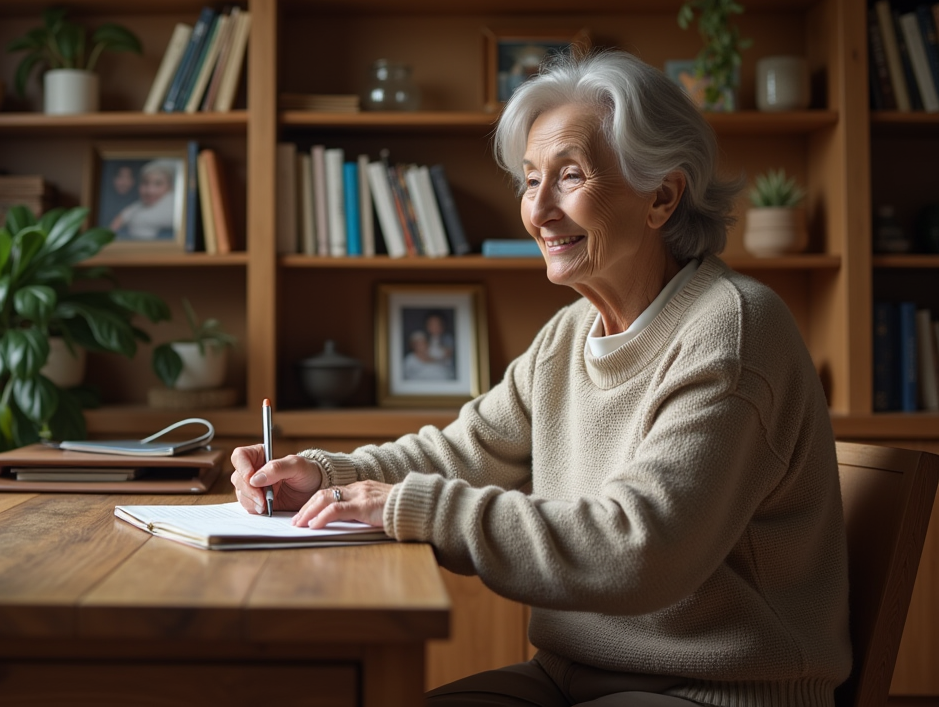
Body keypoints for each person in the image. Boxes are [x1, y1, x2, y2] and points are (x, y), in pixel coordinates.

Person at [232, 50, 851, 706]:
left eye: (570, 176)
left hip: (716, 691)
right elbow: (461, 453)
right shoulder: (569, 334)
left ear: (662, 197)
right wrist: (325, 475)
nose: (539, 211)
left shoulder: (732, 330)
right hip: (567, 677)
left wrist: (407, 507)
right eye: (531, 181)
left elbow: (639, 550)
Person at [111, 159, 177, 240]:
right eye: (145, 183)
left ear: (170, 187)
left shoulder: (174, 206)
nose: (150, 191)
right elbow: (119, 220)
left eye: (158, 184)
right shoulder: (139, 205)